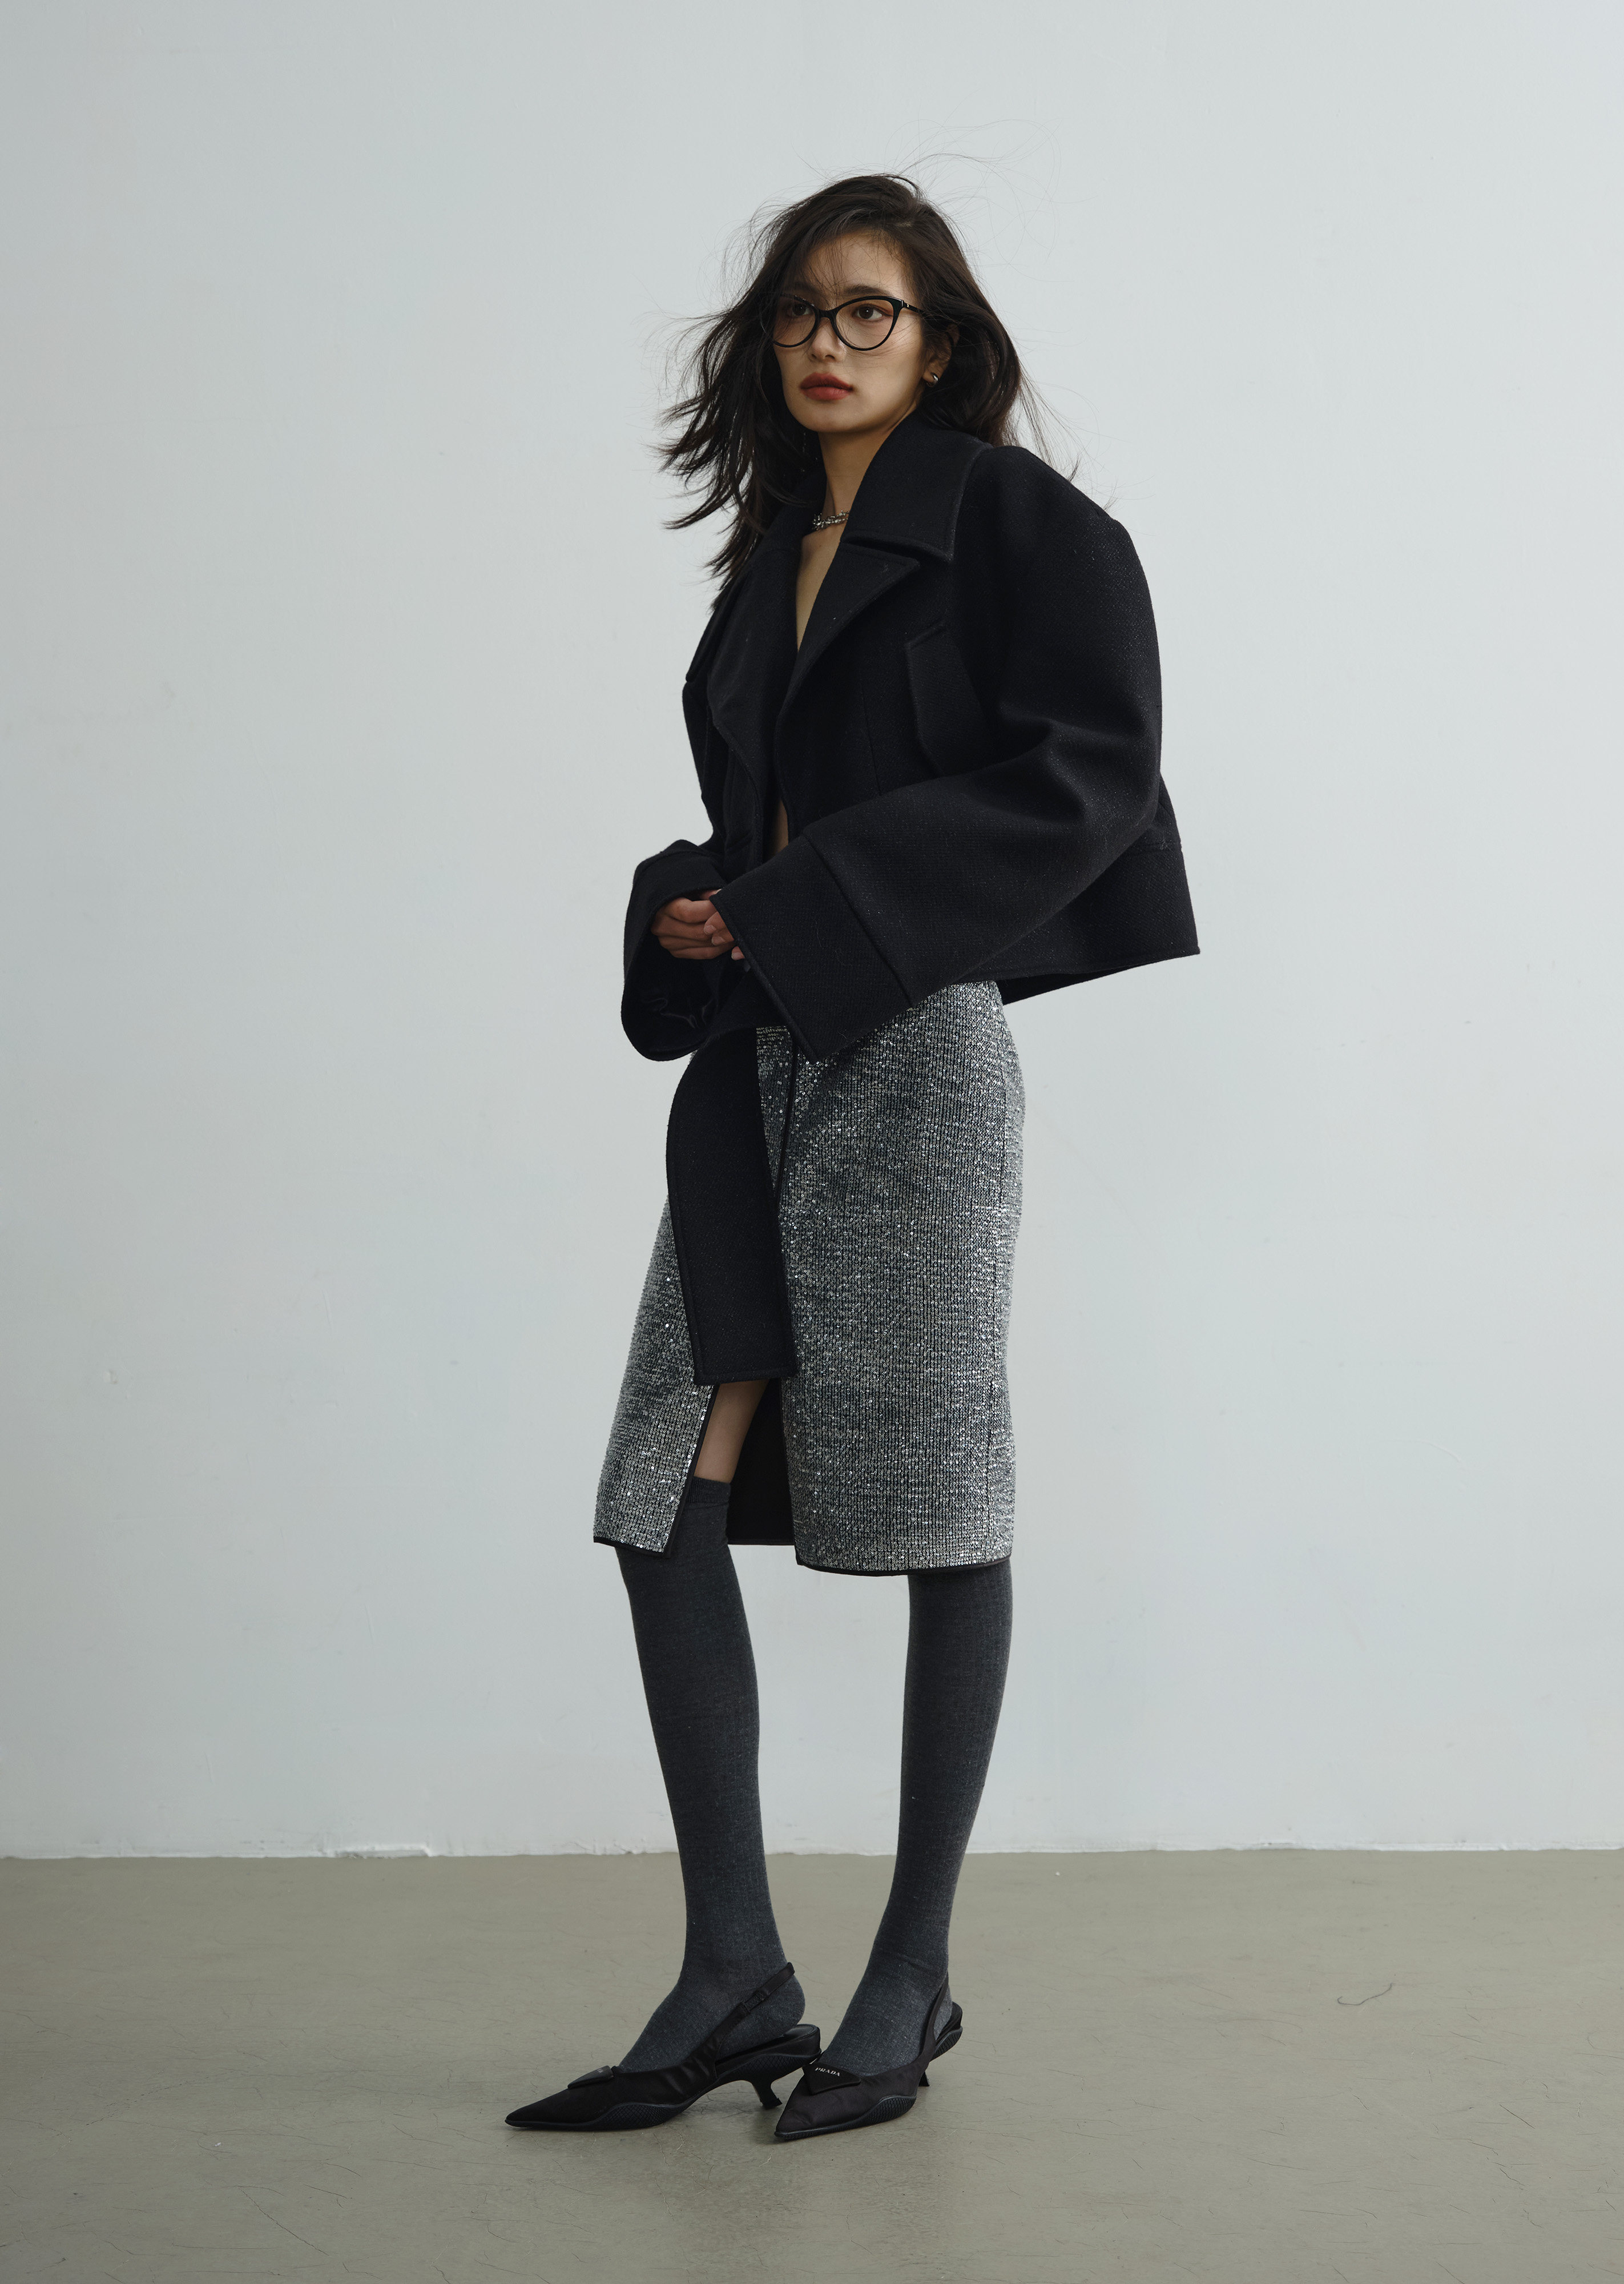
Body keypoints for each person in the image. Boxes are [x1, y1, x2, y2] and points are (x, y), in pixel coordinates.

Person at [505, 173, 1196, 2143]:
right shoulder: (766, 559)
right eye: (803, 310)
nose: (829, 340)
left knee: (939, 1494)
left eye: (869, 310)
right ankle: (736, 1970)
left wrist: (809, 897)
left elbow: (1091, 772)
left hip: (917, 1052)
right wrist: (696, 907)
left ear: (939, 339)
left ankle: (910, 1973)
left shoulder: (1021, 525)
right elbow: (761, 822)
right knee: (661, 1486)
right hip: (759, 1057)